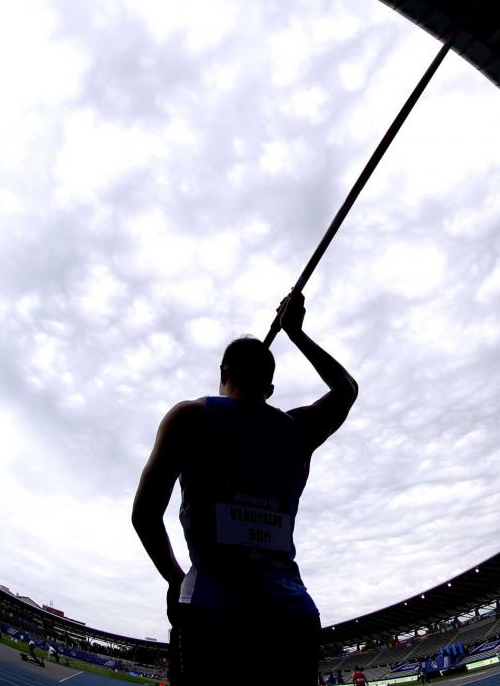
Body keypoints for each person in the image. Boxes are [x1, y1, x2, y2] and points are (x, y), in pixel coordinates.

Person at [132, 292, 358, 686]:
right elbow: (346, 389)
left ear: (223, 375)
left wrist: (174, 578)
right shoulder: (297, 431)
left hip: (212, 614)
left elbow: (145, 516)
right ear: (269, 387)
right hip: (291, 616)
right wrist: (296, 333)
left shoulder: (189, 418)